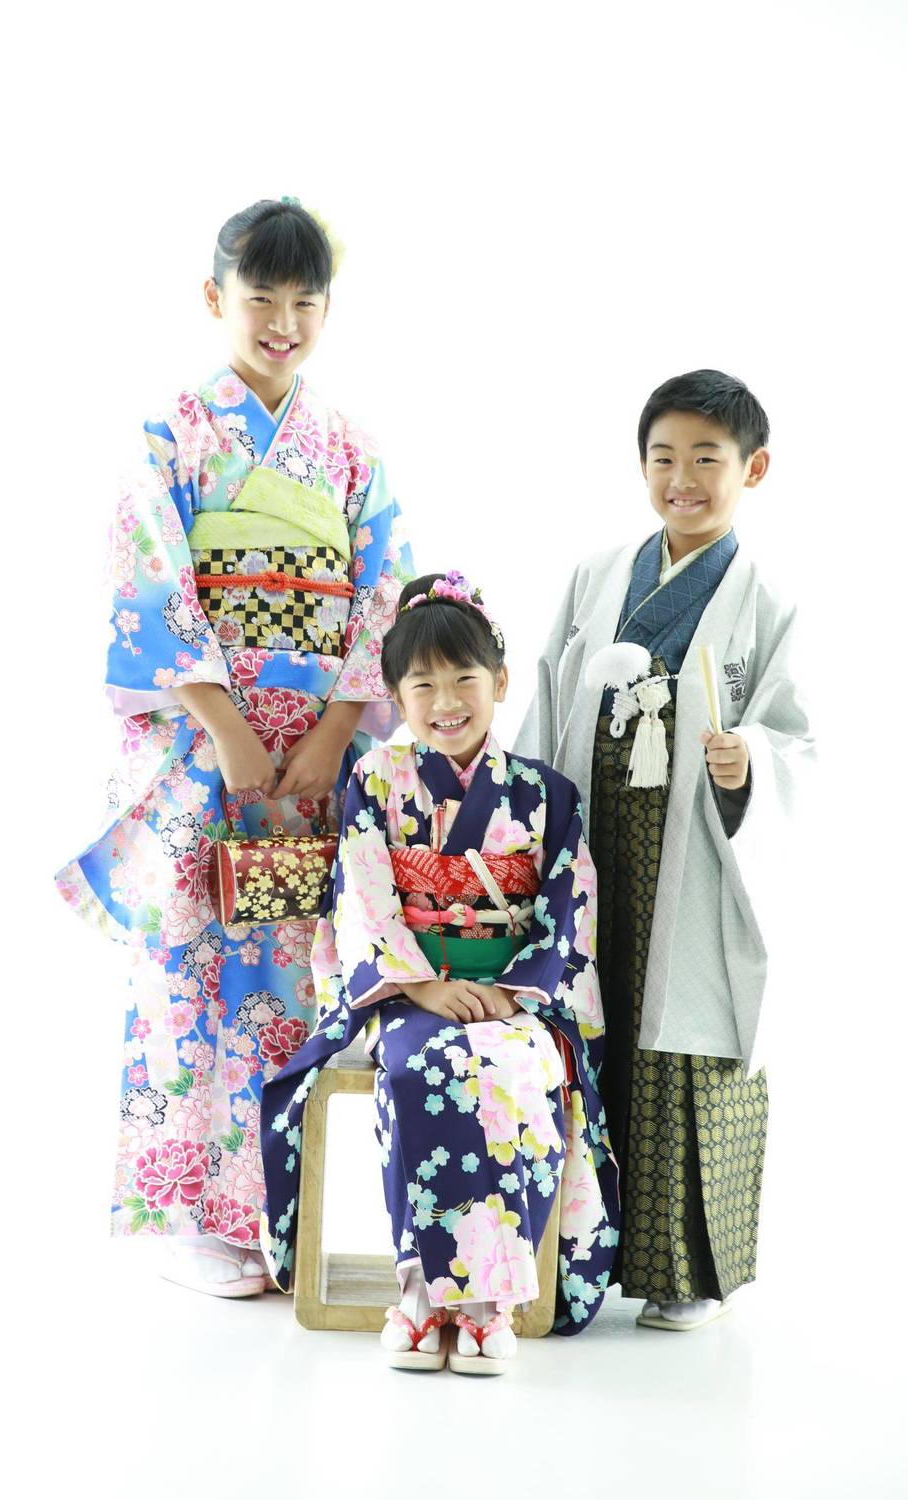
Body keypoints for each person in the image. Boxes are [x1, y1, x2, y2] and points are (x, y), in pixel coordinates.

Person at [55, 198, 413, 1298]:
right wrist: (226, 732)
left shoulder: (350, 448)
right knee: (190, 965)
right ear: (216, 299)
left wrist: (334, 735)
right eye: (261, 298)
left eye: (306, 301)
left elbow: (384, 596)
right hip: (206, 753)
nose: (283, 322)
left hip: (312, 763)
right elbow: (150, 585)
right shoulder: (170, 437)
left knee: (296, 977)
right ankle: (191, 1219)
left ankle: (275, 1215)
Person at [260, 572, 619, 1373]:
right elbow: (361, 895)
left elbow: (570, 905)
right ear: (395, 697)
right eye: (422, 684)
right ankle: (423, 1291)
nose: (446, 700)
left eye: (464, 678)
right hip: (411, 993)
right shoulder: (373, 783)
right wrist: (420, 985)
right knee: (420, 1068)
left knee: (517, 1071)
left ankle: (488, 1304)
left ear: (501, 682)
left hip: (512, 996)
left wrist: (514, 992)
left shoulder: (546, 795)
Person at [519, 370, 814, 1330]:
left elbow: (801, 740)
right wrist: (524, 828)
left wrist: (749, 760)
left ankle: (686, 1275)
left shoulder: (768, 602)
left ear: (753, 469)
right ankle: (568, 1261)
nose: (682, 479)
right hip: (595, 833)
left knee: (685, 1045)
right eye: (663, 458)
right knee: (583, 1026)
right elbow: (546, 705)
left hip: (693, 848)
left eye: (706, 459)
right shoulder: (598, 577)